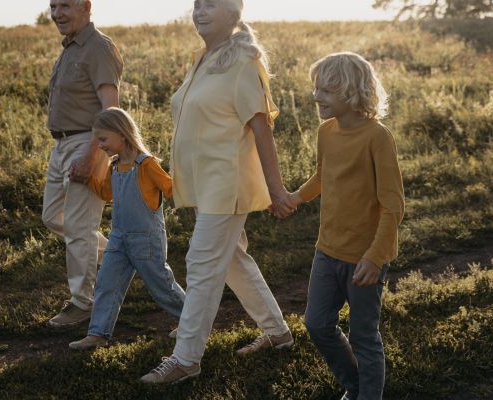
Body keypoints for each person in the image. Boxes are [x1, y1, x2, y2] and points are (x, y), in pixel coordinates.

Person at [140, 0, 296, 385]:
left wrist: (277, 191)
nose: (199, 11)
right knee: (231, 260)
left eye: (210, 4)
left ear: (234, 12)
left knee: (203, 262)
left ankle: (186, 359)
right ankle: (278, 333)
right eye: (196, 4)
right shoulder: (204, 58)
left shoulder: (243, 61)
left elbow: (261, 130)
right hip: (206, 184)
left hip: (228, 183)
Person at [287, 52, 405, 400]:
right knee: (317, 324)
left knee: (363, 336)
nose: (315, 97)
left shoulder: (377, 138)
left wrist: (375, 256)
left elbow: (392, 205)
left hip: (365, 258)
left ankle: (369, 395)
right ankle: (354, 385)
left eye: (324, 90)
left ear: (350, 92)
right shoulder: (326, 131)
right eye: (315, 88)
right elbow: (323, 175)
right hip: (327, 249)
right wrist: (296, 197)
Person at [68, 108, 186, 350]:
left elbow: (172, 188)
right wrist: (87, 179)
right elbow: (106, 193)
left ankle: (192, 321)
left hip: (146, 239)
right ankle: (98, 333)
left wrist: (189, 172)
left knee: (161, 284)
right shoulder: (114, 166)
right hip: (119, 239)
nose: (99, 145)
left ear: (122, 134)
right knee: (106, 283)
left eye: (103, 139)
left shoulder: (147, 165)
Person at [42, 0, 124, 327]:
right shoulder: (70, 48)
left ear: (86, 6)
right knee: (53, 216)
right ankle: (119, 257)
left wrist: (92, 155)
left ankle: (83, 302)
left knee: (79, 228)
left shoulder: (98, 48)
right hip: (61, 144)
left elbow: (111, 108)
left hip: (87, 142)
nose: (57, 13)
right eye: (53, 6)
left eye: (65, 5)